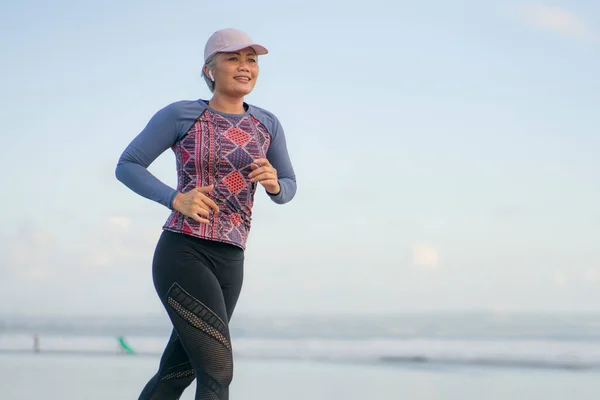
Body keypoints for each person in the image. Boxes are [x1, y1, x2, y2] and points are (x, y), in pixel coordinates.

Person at [115, 28, 297, 400]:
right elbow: (128, 165)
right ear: (210, 69)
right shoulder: (181, 114)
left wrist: (274, 184)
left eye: (252, 60)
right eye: (233, 58)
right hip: (184, 251)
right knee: (217, 371)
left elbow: (288, 185)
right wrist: (174, 198)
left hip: (232, 259)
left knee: (177, 372)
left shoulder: (267, 124)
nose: (245, 67)